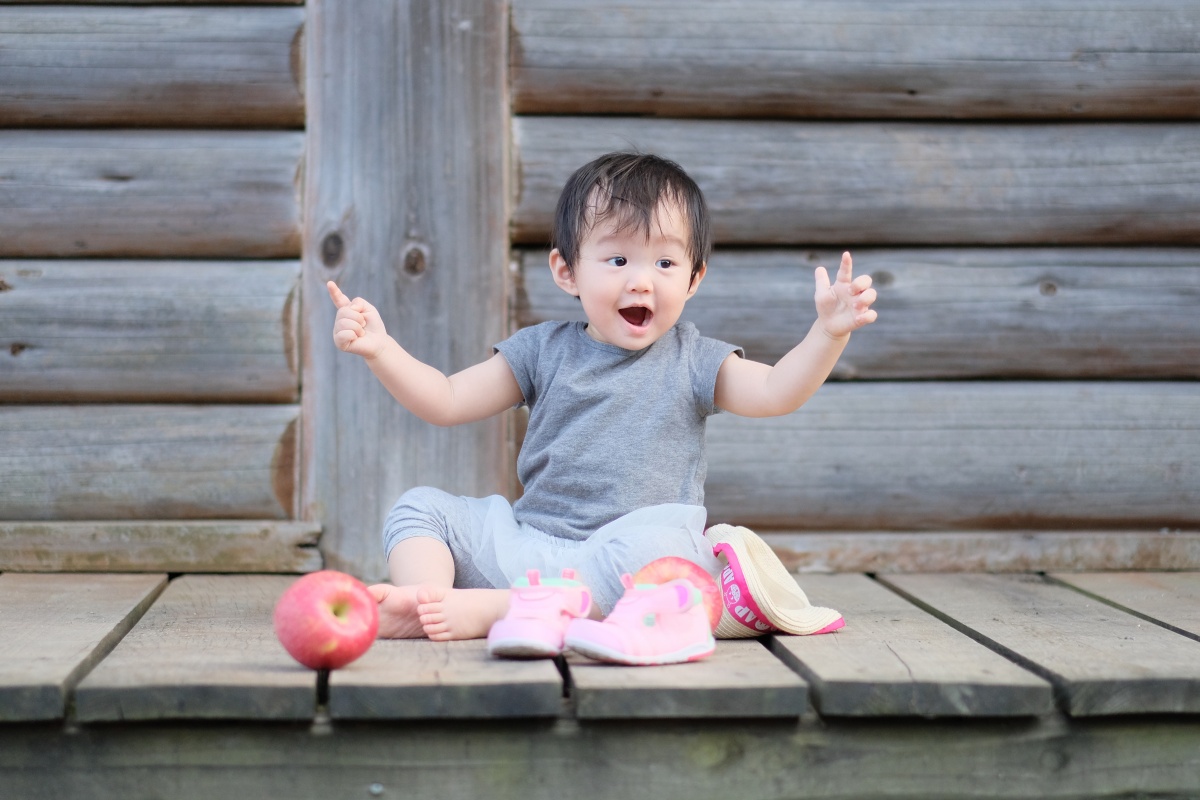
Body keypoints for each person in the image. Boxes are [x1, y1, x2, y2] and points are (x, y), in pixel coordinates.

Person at [327, 151, 877, 642]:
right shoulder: (541, 350)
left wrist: (827, 334)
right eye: (618, 261)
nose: (642, 281)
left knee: (670, 561)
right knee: (421, 509)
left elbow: (776, 392)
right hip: (531, 547)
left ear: (694, 278)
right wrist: (382, 349)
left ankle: (499, 609)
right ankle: (427, 600)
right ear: (567, 271)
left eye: (665, 263)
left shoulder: (695, 358)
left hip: (625, 560)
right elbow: (445, 400)